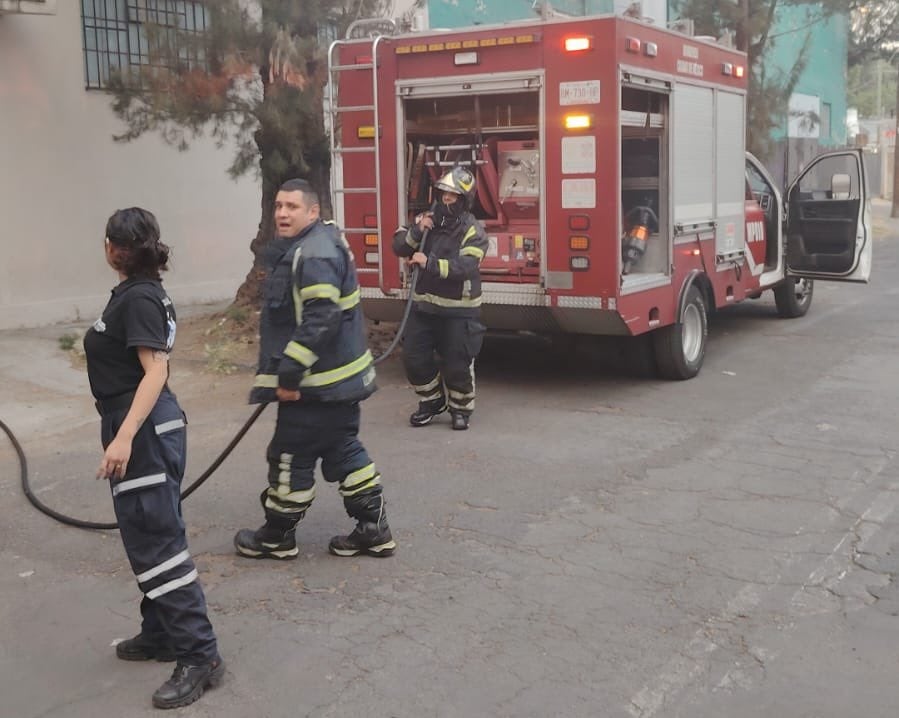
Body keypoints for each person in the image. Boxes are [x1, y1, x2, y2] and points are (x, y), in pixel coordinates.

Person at [83, 208, 224, 710]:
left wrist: (122, 438)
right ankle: (161, 631)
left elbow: (155, 373)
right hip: (139, 425)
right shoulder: (135, 294)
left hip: (140, 428)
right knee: (149, 531)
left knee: (157, 539)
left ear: (110, 248)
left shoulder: (138, 299)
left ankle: (199, 654)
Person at [233, 178, 396, 560]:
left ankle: (276, 536)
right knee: (342, 448)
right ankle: (374, 529)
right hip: (339, 384)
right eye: (278, 206)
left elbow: (320, 319)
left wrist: (289, 375)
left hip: (313, 386)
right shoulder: (318, 244)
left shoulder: (314, 254)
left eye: (291, 206)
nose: (282, 214)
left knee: (290, 456)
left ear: (313, 210)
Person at [392, 166, 489, 431]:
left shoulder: (473, 231)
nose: (446, 200)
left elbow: (465, 266)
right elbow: (399, 246)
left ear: (464, 200)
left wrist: (429, 263)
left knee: (457, 361)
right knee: (414, 357)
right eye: (443, 194)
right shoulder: (427, 219)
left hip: (459, 310)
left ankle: (460, 409)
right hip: (424, 306)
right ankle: (432, 402)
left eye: (452, 196)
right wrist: (416, 230)